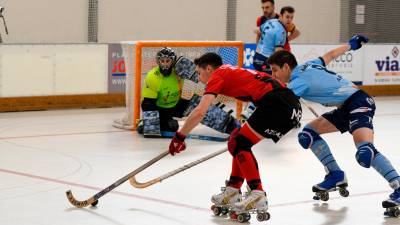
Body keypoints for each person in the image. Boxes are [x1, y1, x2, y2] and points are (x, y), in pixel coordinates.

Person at [267, 35, 400, 208]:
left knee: (365, 152)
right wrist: (351, 45)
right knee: (307, 134)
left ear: (286, 67)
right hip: (344, 108)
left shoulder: (297, 82)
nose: (272, 75)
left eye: (274, 70)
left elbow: (279, 103)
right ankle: (335, 174)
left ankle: (398, 186)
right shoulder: (310, 64)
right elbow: (330, 55)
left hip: (359, 102)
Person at [167, 52, 302, 216]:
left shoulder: (217, 75)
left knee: (239, 143)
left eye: (199, 72)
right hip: (290, 107)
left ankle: (257, 193)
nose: (198, 76)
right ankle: (233, 190)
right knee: (237, 141)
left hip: (277, 103)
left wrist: (179, 136)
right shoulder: (227, 71)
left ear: (209, 68)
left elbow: (199, 112)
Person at [138, 47, 189, 136]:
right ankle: (146, 123)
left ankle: (160, 122)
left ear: (172, 61)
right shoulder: (153, 76)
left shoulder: (179, 73)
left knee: (173, 127)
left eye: (168, 61)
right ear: (158, 61)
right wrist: (152, 123)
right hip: (158, 107)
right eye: (162, 61)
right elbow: (148, 103)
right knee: (156, 129)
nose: (165, 64)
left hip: (173, 107)